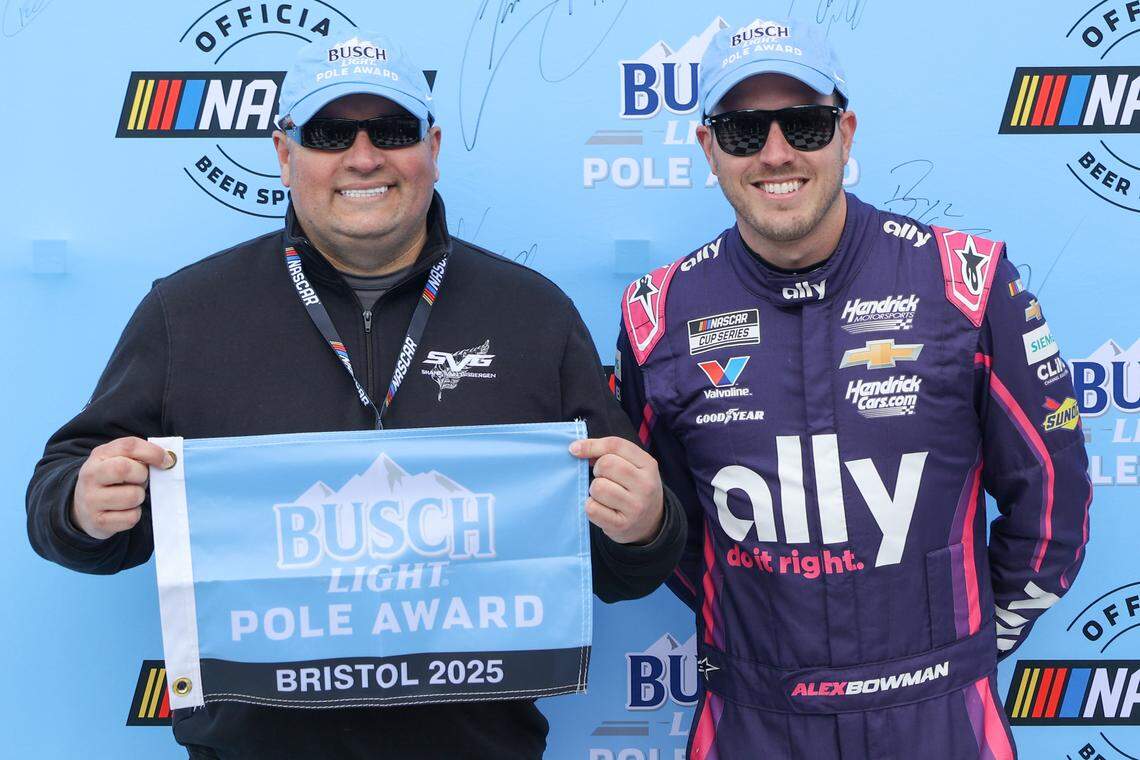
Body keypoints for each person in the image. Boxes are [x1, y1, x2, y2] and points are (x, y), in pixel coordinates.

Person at [26, 31, 684, 759]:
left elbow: (622, 562)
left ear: (432, 148)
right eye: (330, 134)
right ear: (284, 154)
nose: (363, 157)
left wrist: (645, 526)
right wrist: (82, 506)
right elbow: (62, 494)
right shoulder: (186, 313)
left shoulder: (532, 314)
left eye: (392, 131)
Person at [614, 19, 1092, 760]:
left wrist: (958, 657)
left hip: (939, 720)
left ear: (846, 132)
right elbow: (665, 532)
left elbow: (1053, 507)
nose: (776, 153)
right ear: (709, 149)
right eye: (743, 131)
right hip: (754, 722)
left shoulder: (963, 284)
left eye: (805, 123)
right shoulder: (659, 313)